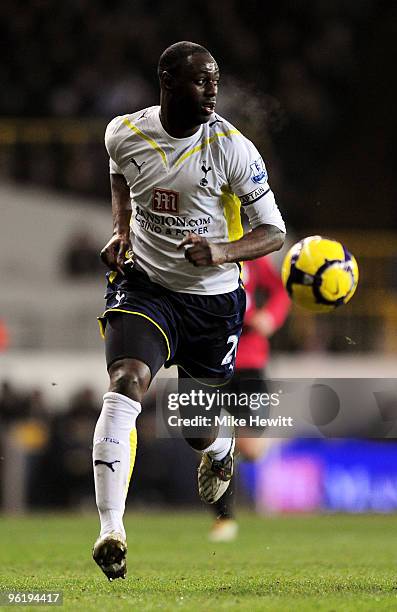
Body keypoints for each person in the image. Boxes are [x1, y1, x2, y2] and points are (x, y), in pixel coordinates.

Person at [92, 41, 286, 580]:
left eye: (216, 82)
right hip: (146, 288)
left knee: (195, 429)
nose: (212, 91)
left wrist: (222, 251)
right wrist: (121, 228)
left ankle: (219, 448)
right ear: (168, 81)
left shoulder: (233, 149)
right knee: (126, 381)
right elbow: (118, 173)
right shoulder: (124, 132)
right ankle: (112, 531)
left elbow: (274, 231)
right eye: (201, 81)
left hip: (213, 303)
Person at [207, 256, 291, 542]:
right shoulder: (201, 254)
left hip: (251, 362)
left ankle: (223, 452)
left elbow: (281, 290)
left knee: (251, 449)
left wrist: (271, 316)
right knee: (206, 438)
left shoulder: (253, 255)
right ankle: (224, 518)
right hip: (213, 359)